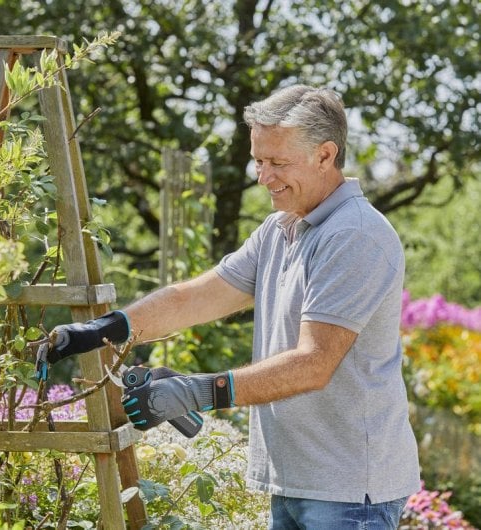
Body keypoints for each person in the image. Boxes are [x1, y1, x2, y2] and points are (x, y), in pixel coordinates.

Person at [40, 85, 420, 529]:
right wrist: (104, 329)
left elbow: (313, 363)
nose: (263, 176)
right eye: (259, 161)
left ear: (325, 154)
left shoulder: (354, 235)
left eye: (278, 163)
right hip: (297, 482)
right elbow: (195, 297)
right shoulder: (280, 228)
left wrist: (195, 392)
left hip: (350, 492)